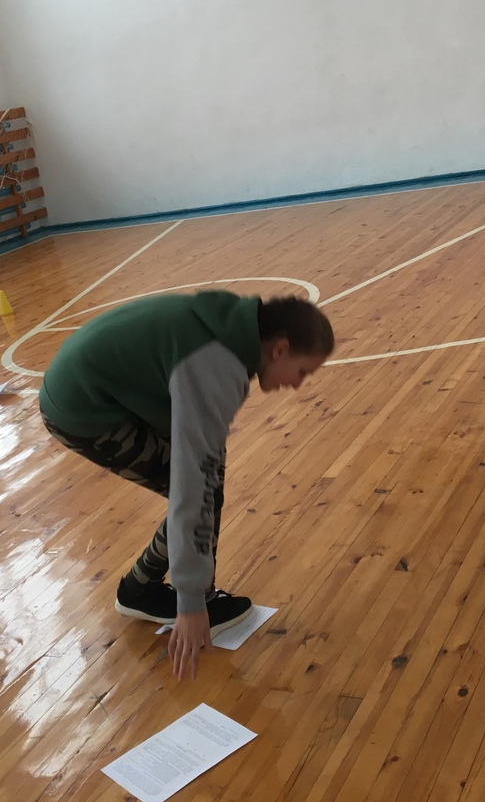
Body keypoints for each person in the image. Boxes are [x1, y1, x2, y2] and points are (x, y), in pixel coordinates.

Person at [39, 291, 334, 681]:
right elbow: (193, 484)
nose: (297, 385)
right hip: (83, 408)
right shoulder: (216, 364)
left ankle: (147, 589)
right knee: (201, 489)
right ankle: (150, 592)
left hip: (105, 388)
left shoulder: (232, 328)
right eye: (303, 372)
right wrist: (191, 604)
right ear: (280, 349)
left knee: (208, 483)